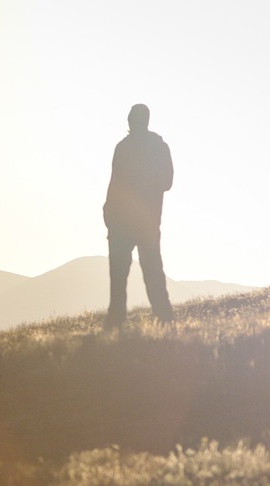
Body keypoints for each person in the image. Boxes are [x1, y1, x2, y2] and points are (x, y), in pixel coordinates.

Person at [103, 103, 174, 328]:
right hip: (143, 220)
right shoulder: (157, 147)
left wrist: (109, 212)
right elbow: (166, 182)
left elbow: (116, 184)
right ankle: (164, 317)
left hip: (125, 220)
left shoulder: (124, 148)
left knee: (121, 274)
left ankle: (118, 320)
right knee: (150, 270)